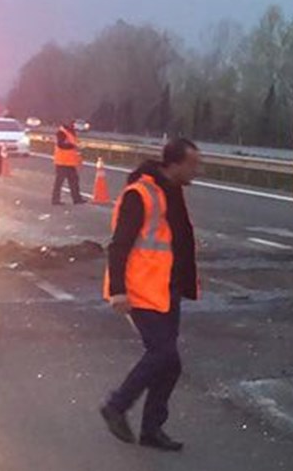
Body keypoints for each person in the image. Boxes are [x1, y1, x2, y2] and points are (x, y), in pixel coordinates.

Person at [99, 139, 202, 452]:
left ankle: (151, 429)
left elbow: (178, 240)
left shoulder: (171, 190)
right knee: (162, 354)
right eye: (192, 164)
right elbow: (118, 245)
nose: (197, 170)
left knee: (170, 364)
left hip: (166, 289)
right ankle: (117, 406)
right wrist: (118, 291)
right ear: (174, 164)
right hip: (141, 290)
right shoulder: (140, 195)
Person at [51, 120, 86, 205]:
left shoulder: (70, 133)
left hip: (69, 162)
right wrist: (74, 146)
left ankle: (76, 199)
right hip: (62, 162)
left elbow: (70, 144)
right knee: (59, 182)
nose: (73, 127)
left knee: (74, 180)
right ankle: (55, 200)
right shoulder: (61, 133)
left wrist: (76, 146)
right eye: (72, 125)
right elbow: (61, 145)